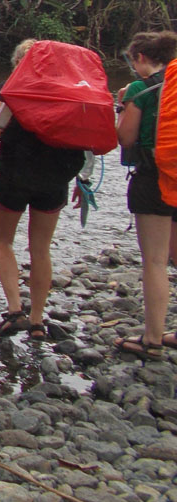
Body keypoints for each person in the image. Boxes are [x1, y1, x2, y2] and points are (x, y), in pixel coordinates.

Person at [0, 39, 88, 339]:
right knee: (41, 249)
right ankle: (38, 320)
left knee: (2, 242)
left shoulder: (13, 88)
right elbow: (84, 137)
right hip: (55, 178)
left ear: (18, 63)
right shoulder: (70, 90)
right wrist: (84, 179)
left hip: (14, 175)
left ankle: (15, 311)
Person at [113, 30, 177, 359]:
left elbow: (125, 138)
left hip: (154, 178)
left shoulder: (140, 88)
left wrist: (122, 106)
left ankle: (152, 339)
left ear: (139, 57)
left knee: (155, 261)